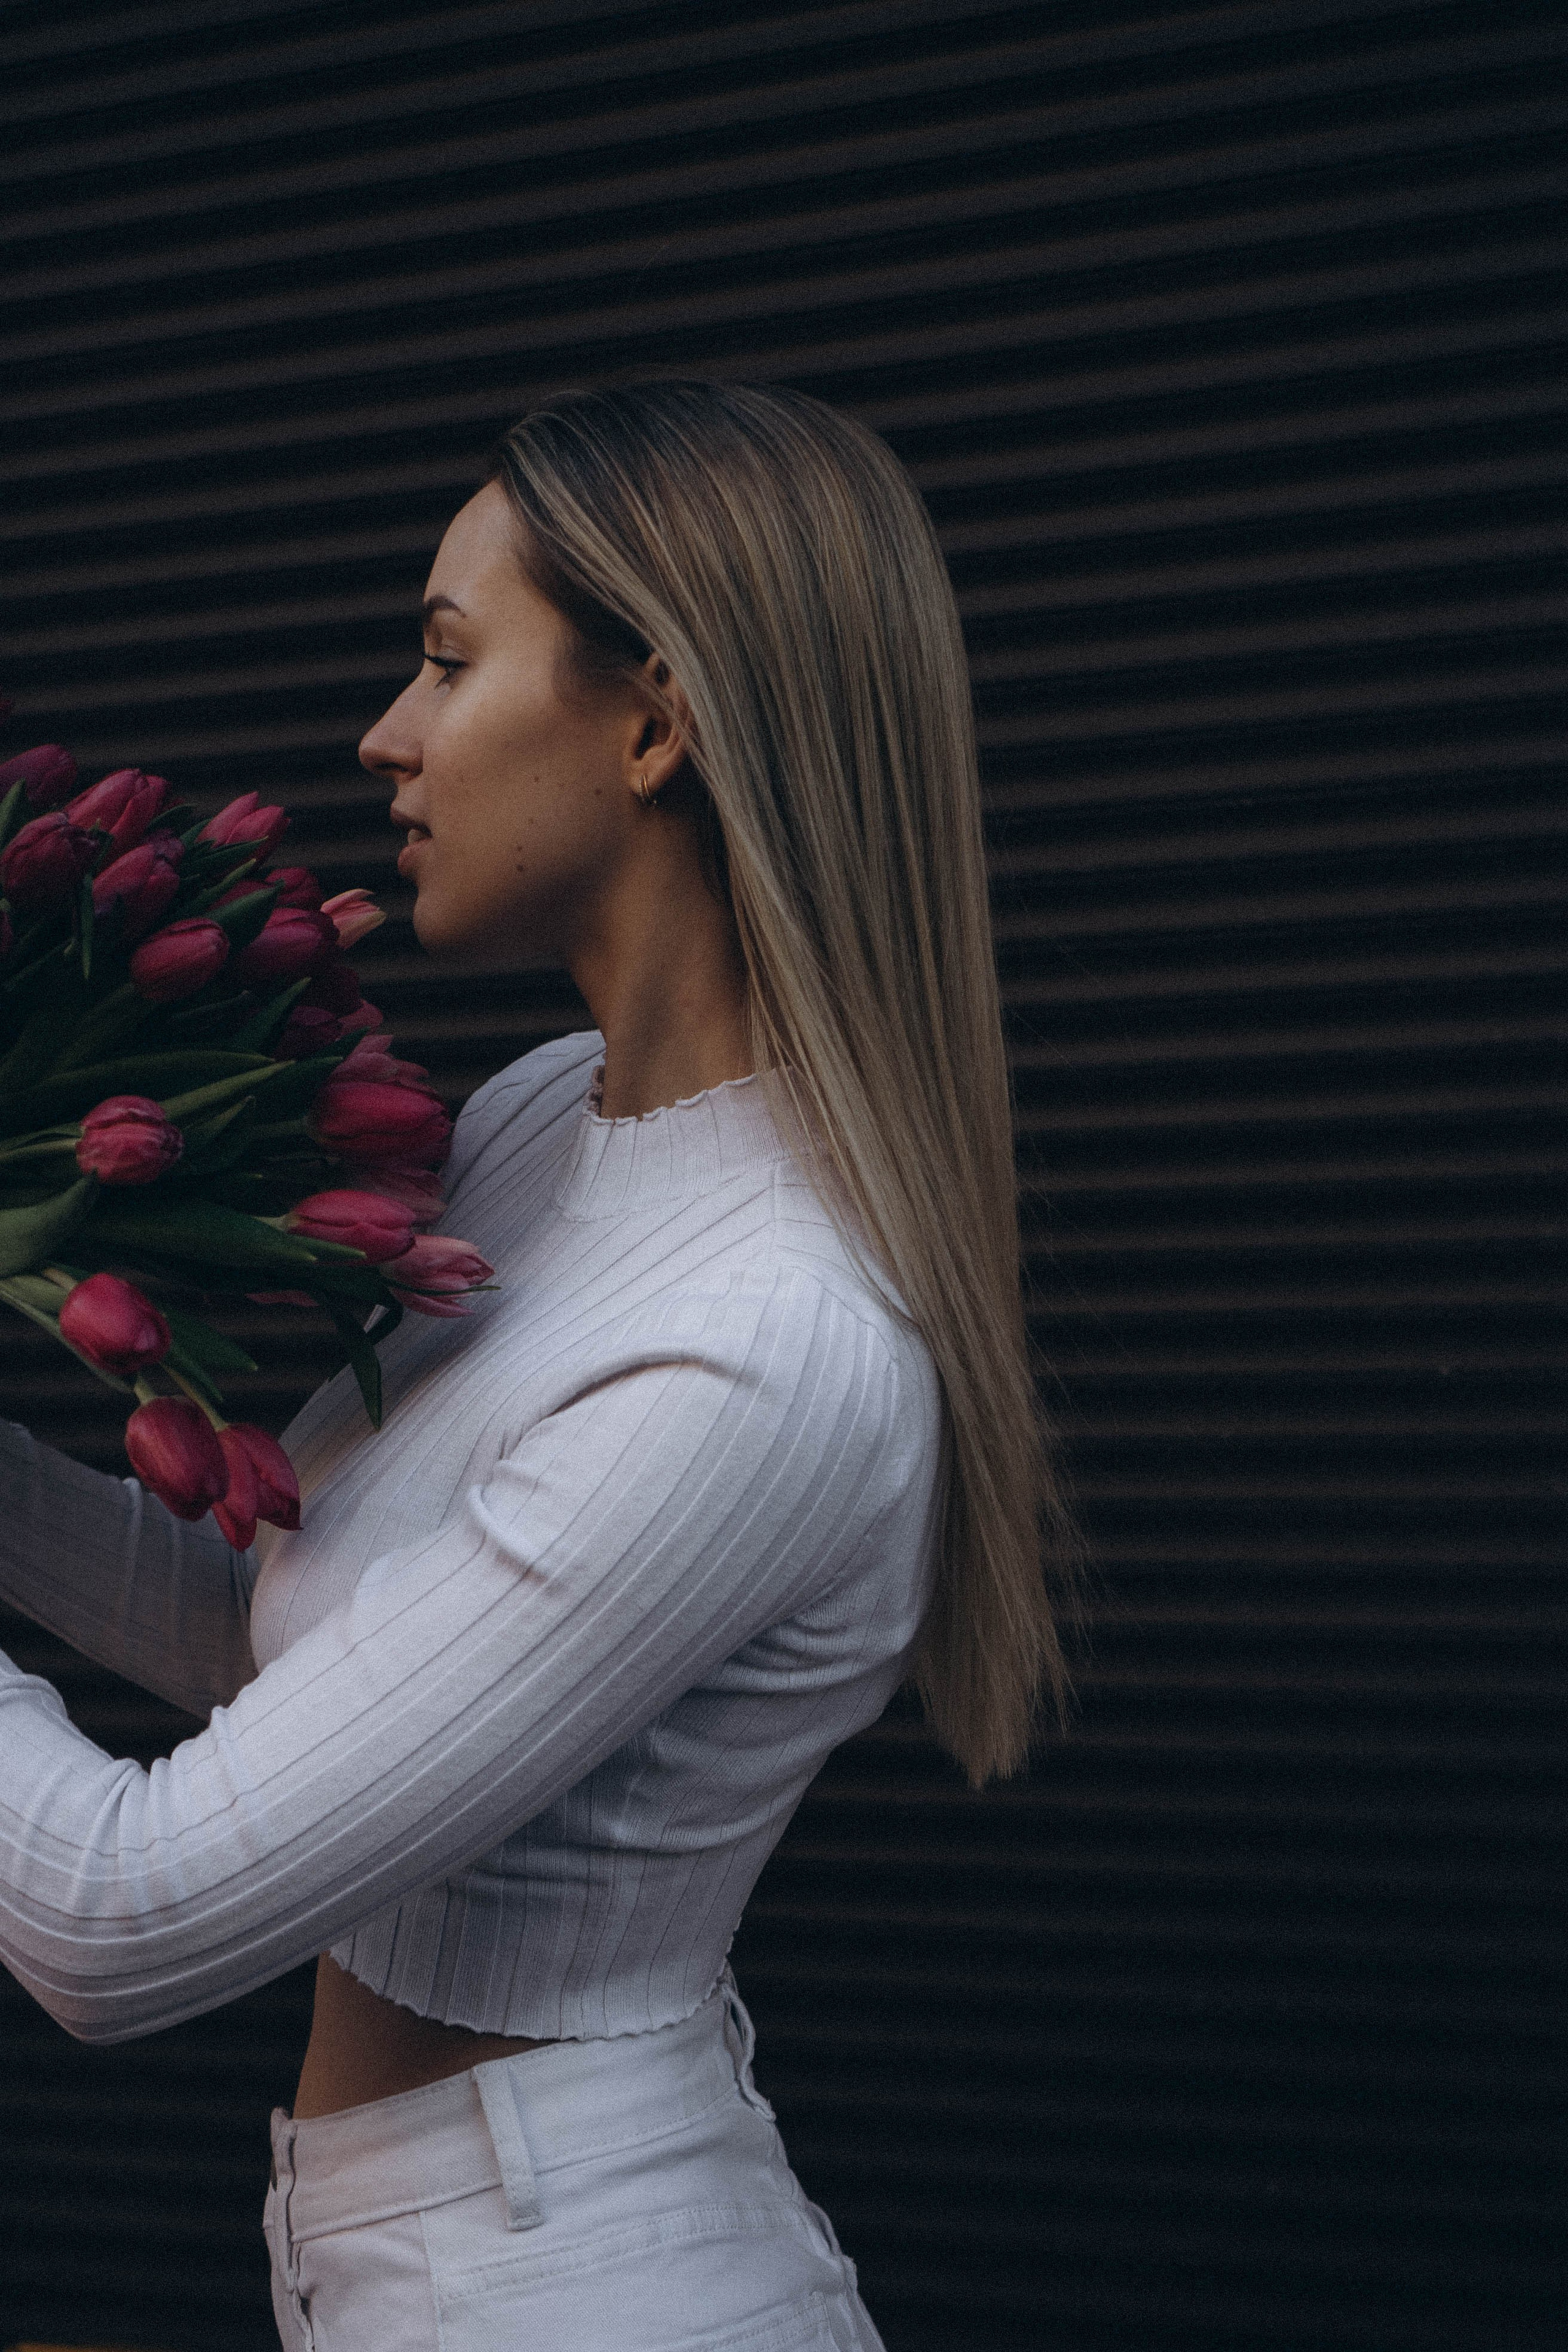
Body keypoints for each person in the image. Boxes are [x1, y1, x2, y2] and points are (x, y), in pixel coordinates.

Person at [0, 382, 1074, 2351]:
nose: (384, 736)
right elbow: (292, 1638)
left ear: (657, 720)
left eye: (444, 658)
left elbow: (115, 1919)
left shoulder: (767, 1346)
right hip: (406, 2256)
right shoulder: (540, 1121)